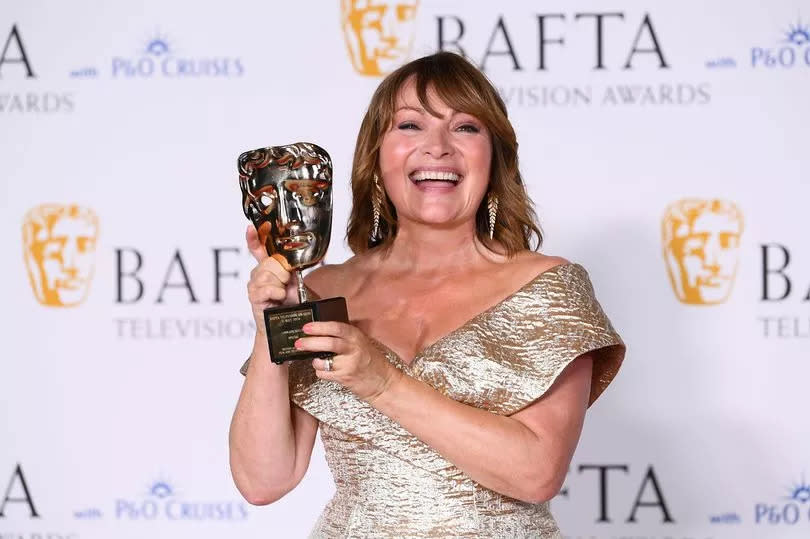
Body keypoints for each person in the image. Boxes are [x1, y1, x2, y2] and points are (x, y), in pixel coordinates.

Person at [229, 51, 625, 537]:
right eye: (410, 126)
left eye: (465, 127)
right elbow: (264, 479)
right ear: (375, 156)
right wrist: (274, 322)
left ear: (494, 159)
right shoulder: (325, 290)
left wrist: (381, 382)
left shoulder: (547, 288)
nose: (437, 147)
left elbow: (537, 473)